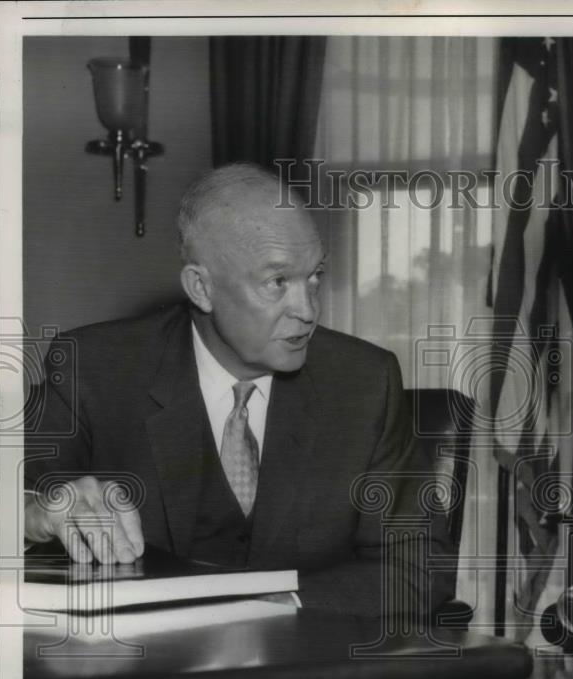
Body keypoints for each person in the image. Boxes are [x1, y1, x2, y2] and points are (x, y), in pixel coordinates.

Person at [24, 163, 454, 617]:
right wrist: (34, 513)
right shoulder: (94, 366)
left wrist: (275, 605)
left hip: (304, 668)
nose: (307, 310)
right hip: (146, 673)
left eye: (315, 276)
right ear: (201, 288)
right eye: (277, 282)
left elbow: (418, 565)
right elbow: (18, 511)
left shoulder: (365, 382)